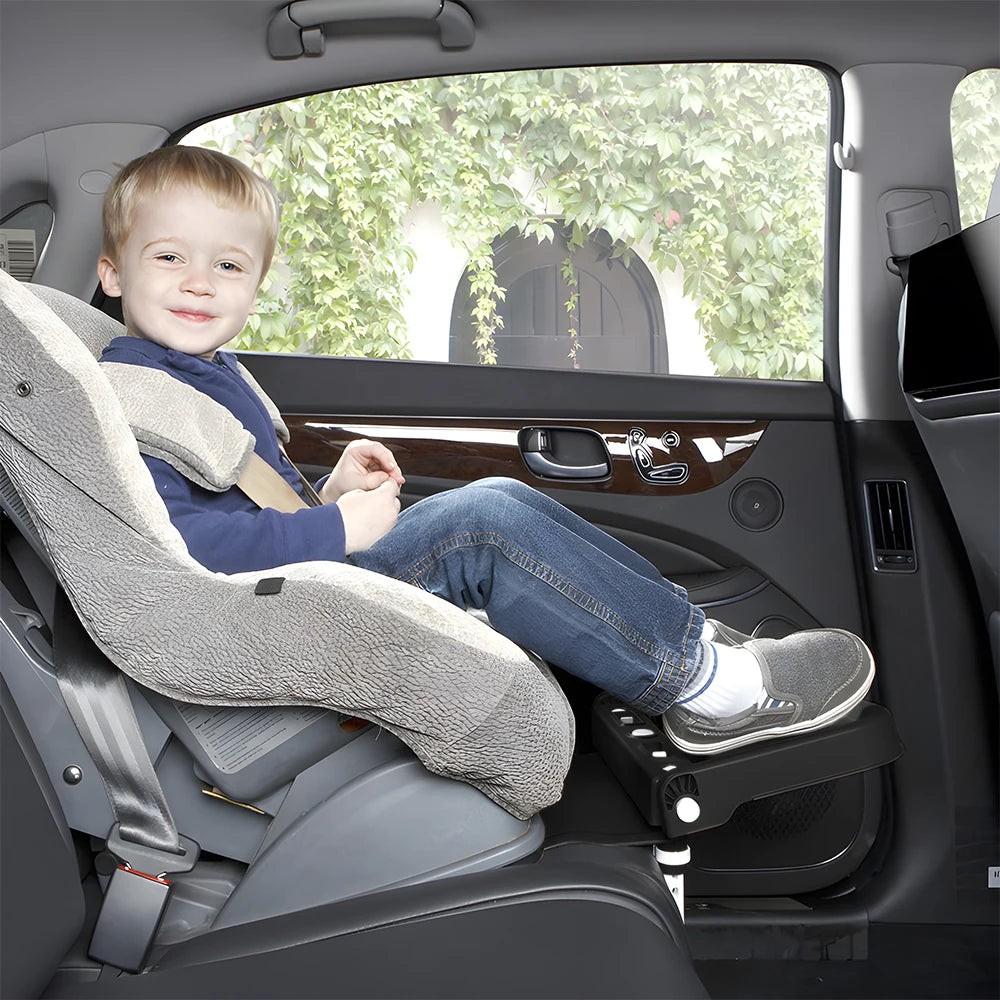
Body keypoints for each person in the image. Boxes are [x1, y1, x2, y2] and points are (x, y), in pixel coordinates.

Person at [96, 146, 874, 756]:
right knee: (478, 527)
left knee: (506, 499)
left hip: (290, 582)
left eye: (227, 265)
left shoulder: (206, 373)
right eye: (169, 258)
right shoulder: (133, 394)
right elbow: (191, 545)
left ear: (255, 285)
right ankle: (714, 692)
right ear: (111, 274)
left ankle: (693, 637)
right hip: (265, 618)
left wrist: (326, 495)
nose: (199, 282)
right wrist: (336, 532)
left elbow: (236, 499)